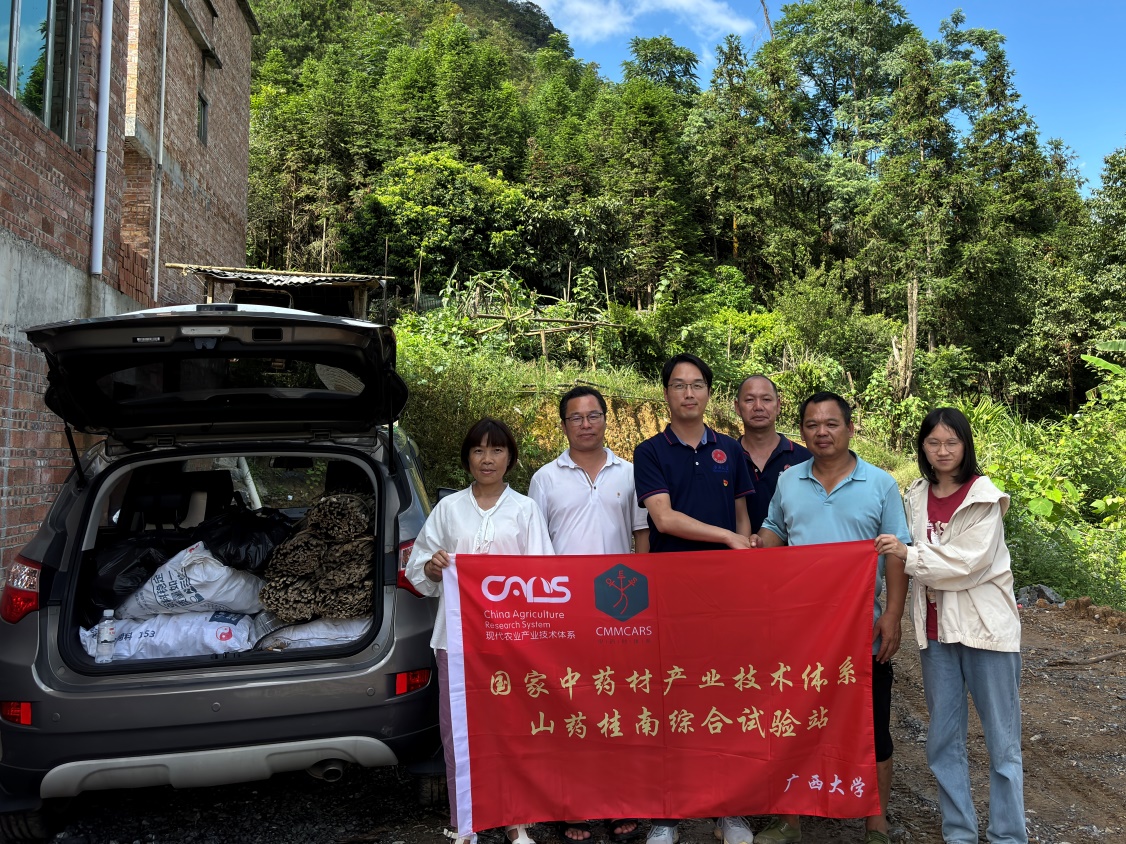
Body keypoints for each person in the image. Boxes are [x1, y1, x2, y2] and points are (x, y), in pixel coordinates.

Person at [753, 392, 911, 844]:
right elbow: (775, 531)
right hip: (798, 631)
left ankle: (876, 823)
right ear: (801, 431)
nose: (821, 432)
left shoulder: (880, 484)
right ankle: (789, 820)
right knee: (791, 722)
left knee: (871, 725)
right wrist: (749, 549)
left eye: (831, 424)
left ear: (850, 428)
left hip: (860, 628)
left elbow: (896, 552)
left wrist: (893, 614)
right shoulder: (789, 481)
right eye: (811, 425)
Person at [875, 408, 1027, 844]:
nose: (942, 451)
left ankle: (1008, 835)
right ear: (922, 447)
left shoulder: (984, 497)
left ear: (965, 445)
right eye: (933, 443)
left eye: (951, 443)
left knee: (1002, 745)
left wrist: (908, 555)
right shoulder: (916, 495)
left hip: (986, 632)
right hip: (935, 634)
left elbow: (967, 564)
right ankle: (959, 833)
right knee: (943, 740)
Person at [406, 418, 554, 844]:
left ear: (510, 458)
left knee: (513, 729)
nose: (487, 459)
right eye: (478, 450)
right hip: (455, 640)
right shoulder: (448, 509)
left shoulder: (525, 510)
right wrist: (433, 567)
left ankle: (516, 820)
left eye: (497, 450)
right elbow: (417, 569)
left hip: (511, 641)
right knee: (459, 734)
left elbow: (542, 577)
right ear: (467, 458)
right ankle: (465, 822)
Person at [632, 353, 756, 844]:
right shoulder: (649, 452)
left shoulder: (730, 449)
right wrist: (726, 538)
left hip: (725, 595)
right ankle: (668, 814)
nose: (689, 393)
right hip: (671, 595)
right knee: (673, 698)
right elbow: (663, 519)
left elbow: (742, 514)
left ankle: (729, 811)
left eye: (697, 384)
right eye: (679, 385)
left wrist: (741, 554)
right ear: (666, 393)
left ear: (708, 392)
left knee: (725, 695)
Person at [529, 385, 648, 844]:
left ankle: (621, 800)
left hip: (620, 610)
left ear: (605, 418)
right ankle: (572, 804)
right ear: (563, 425)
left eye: (593, 415)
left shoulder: (630, 473)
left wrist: (642, 600)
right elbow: (535, 549)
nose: (585, 424)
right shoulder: (545, 478)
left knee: (619, 705)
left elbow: (641, 537)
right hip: (565, 611)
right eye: (575, 417)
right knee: (570, 706)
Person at [734, 374, 811, 533]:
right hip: (737, 547)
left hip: (794, 548)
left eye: (766, 399)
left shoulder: (806, 459)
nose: (758, 407)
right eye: (749, 400)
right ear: (737, 407)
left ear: (778, 405)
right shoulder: (726, 459)